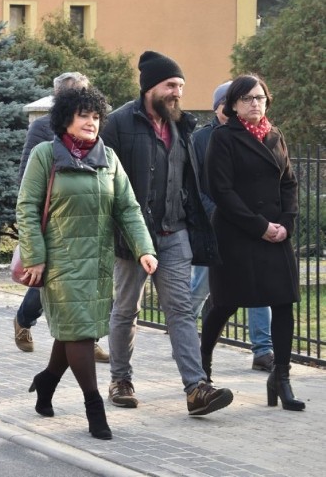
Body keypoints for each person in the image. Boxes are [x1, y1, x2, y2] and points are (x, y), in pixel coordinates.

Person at [17, 86, 157, 440]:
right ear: (67, 118)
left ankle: (46, 382)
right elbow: (28, 209)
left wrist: (144, 248)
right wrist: (35, 257)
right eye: (84, 115)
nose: (91, 123)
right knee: (79, 332)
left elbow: (127, 207)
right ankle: (94, 409)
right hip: (59, 264)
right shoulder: (45, 155)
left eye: (96, 117)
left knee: (76, 331)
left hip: (98, 264)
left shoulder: (108, 158)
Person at [100, 50, 233, 416]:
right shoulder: (118, 124)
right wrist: (118, 230)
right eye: (171, 85)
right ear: (150, 88)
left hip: (174, 233)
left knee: (180, 311)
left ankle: (196, 388)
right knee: (127, 310)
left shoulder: (182, 126)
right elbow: (105, 181)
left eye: (181, 86)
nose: (178, 92)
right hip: (132, 235)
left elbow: (189, 179)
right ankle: (121, 379)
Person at [200, 74, 304, 411]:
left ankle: (281, 378)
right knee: (224, 303)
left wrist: (285, 224)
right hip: (236, 233)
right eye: (247, 99)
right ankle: (201, 371)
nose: (255, 103)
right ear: (233, 105)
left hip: (276, 235)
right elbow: (221, 190)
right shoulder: (223, 138)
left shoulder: (276, 135)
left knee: (283, 301)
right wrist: (259, 226)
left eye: (259, 97)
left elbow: (289, 183)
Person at [13, 72, 110, 363]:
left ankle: (86, 340)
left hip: (86, 220)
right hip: (55, 219)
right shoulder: (43, 129)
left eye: (83, 91)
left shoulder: (94, 129)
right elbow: (27, 177)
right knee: (46, 283)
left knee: (85, 286)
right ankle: (24, 320)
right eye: (72, 93)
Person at [189, 81, 274, 372]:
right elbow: (197, 185)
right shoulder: (201, 139)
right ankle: (186, 340)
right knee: (204, 288)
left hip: (252, 227)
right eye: (240, 99)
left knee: (260, 287)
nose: (249, 104)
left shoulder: (259, 135)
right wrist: (219, 213)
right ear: (221, 106)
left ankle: (263, 350)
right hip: (216, 225)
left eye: (255, 98)